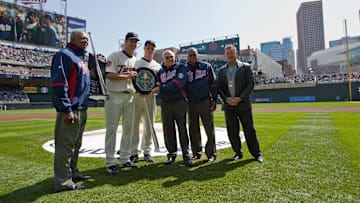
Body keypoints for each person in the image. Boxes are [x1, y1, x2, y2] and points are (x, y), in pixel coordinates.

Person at [50, 31, 91, 192]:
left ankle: (73, 172)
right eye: (82, 38)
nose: (85, 41)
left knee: (76, 144)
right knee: (65, 146)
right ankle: (63, 182)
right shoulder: (64, 55)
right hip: (71, 108)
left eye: (87, 39)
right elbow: (59, 83)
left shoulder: (81, 58)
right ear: (72, 39)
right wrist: (66, 108)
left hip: (82, 107)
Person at [217, 45, 264, 163]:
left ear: (236, 53)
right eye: (227, 53)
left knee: (249, 130)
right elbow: (219, 87)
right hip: (228, 106)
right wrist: (226, 99)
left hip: (243, 105)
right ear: (225, 55)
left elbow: (250, 84)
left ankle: (257, 154)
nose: (230, 55)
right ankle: (238, 152)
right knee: (232, 131)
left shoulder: (245, 67)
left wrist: (240, 98)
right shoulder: (222, 70)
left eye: (232, 53)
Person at [151, 50, 193, 167]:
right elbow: (157, 84)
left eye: (171, 57)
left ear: (175, 58)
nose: (169, 59)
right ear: (163, 60)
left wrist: (162, 88)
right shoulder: (160, 71)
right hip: (165, 103)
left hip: (179, 102)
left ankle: (186, 155)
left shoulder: (181, 68)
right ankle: (171, 154)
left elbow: (178, 83)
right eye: (167, 58)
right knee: (168, 129)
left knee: (182, 129)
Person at [104, 32, 139, 174]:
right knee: (112, 128)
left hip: (130, 96)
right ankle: (110, 162)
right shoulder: (114, 55)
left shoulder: (136, 60)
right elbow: (108, 74)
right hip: (115, 95)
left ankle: (125, 158)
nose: (133, 43)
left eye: (135, 41)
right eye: (131, 41)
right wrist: (126, 75)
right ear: (125, 42)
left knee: (129, 128)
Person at [130, 40, 161, 163]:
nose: (150, 50)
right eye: (148, 48)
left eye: (152, 48)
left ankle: (147, 151)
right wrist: (136, 89)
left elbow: (159, 82)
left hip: (150, 97)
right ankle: (133, 152)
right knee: (134, 124)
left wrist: (154, 89)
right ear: (144, 49)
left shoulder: (157, 66)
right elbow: (131, 79)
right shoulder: (136, 62)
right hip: (137, 96)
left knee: (149, 125)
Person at [185, 47, 217, 163]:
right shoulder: (184, 69)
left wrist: (214, 99)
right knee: (193, 129)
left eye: (194, 55)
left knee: (209, 128)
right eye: (190, 55)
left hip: (205, 100)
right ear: (187, 57)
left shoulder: (206, 66)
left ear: (197, 55)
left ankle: (211, 154)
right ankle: (196, 153)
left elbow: (213, 83)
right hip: (191, 102)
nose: (192, 57)